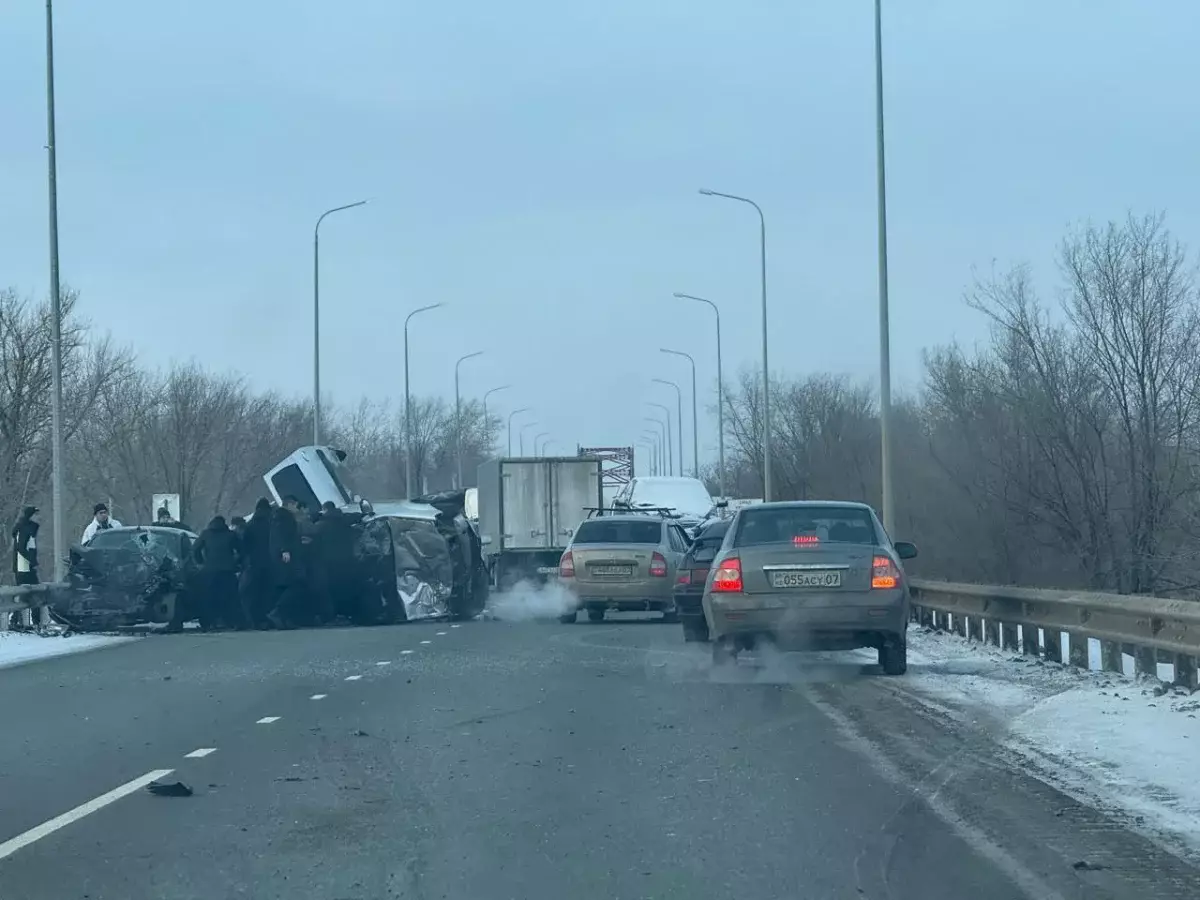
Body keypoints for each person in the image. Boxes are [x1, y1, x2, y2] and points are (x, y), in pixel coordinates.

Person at [192, 515, 244, 630]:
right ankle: (232, 622)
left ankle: (209, 622)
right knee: (230, 597)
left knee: (209, 597)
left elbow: (195, 549)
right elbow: (241, 549)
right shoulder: (230, 534)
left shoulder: (205, 534)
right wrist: (237, 563)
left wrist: (200, 562)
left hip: (209, 571)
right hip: (227, 571)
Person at [267, 495, 307, 628]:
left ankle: (284, 618)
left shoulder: (278, 516)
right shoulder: (284, 517)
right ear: (289, 504)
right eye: (295, 505)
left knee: (287, 586)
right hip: (287, 557)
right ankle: (278, 613)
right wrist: (285, 550)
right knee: (297, 583)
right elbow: (282, 535)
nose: (296, 508)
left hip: (282, 556)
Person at [238, 499, 274, 628]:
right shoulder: (272, 523)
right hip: (270, 562)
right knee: (268, 592)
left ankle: (255, 620)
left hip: (254, 563)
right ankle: (267, 618)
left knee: (253, 592)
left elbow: (244, 545)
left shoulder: (250, 525)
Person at [11, 506, 39, 586]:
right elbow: (21, 548)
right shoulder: (24, 529)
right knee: (30, 593)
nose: (39, 517)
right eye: (36, 514)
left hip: (27, 567)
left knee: (35, 592)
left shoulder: (30, 529)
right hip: (23, 568)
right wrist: (32, 562)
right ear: (30, 516)